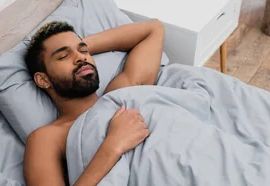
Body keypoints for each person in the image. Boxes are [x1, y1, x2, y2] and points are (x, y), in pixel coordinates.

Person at [23, 19, 165, 186]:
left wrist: (79, 48)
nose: (81, 57)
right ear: (43, 79)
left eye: (84, 51)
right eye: (63, 56)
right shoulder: (47, 137)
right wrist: (113, 146)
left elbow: (154, 28)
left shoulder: (121, 93)